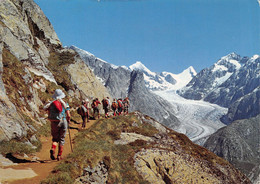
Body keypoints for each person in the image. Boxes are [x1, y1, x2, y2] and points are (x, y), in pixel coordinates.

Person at [44, 89, 71, 161]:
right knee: (62, 139)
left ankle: (53, 148)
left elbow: (45, 109)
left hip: (54, 122)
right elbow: (68, 114)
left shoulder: (51, 103)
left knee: (55, 138)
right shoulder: (65, 103)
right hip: (63, 121)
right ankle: (59, 155)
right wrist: (68, 119)